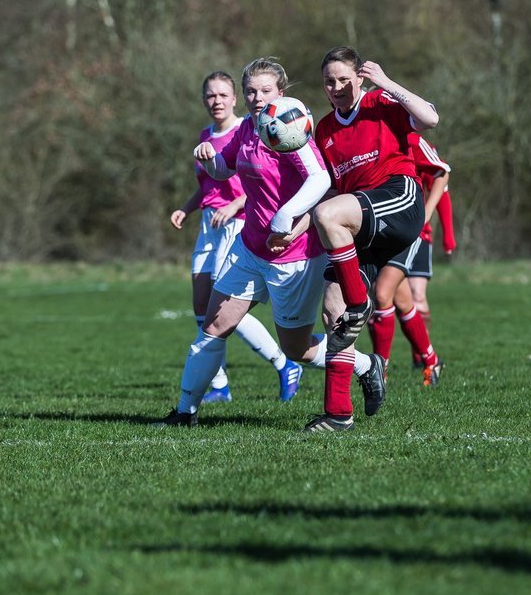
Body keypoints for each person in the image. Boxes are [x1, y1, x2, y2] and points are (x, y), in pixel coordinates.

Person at [154, 58, 385, 427]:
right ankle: (184, 412)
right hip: (248, 250)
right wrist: (210, 160)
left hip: (292, 257)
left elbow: (319, 180)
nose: (256, 98)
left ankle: (365, 363)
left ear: (281, 91)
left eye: (265, 91)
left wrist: (285, 219)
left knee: (297, 350)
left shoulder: (291, 127)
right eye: (250, 91)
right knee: (212, 326)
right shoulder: (246, 128)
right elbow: (225, 169)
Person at [305, 47, 439, 432]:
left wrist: (387, 82)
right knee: (334, 315)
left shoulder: (381, 101)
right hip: (357, 222)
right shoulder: (325, 129)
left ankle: (359, 302)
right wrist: (294, 227)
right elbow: (329, 193)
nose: (337, 87)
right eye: (330, 82)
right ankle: (338, 414)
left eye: (345, 79)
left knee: (351, 298)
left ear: (360, 78)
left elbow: (431, 118)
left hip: (399, 199)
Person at [168, 71, 304, 404]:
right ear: (204, 100)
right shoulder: (205, 135)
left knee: (224, 308)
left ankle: (283, 362)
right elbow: (208, 186)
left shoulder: (256, 127)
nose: (216, 101)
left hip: (239, 224)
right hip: (208, 226)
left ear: (234, 98)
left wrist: (234, 205)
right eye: (210, 96)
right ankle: (218, 384)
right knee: (201, 308)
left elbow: (258, 186)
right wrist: (187, 208)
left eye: (223, 95)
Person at [367, 133, 453, 386]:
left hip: (407, 229)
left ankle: (379, 371)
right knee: (402, 301)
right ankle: (431, 359)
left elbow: (442, 173)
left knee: (382, 293)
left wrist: (425, 216)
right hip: (376, 230)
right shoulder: (353, 138)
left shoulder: (409, 138)